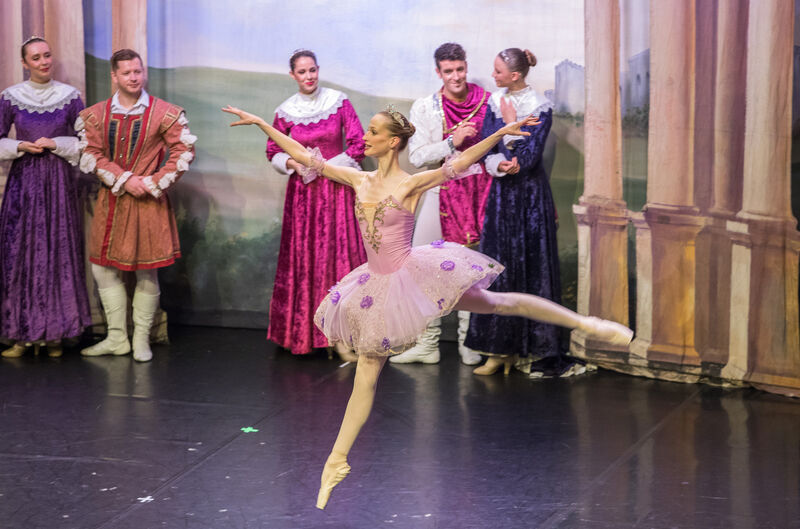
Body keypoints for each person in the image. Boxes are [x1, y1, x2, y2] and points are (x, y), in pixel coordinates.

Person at [221, 104, 633, 510]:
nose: (365, 136)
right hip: (376, 284)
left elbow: (460, 162)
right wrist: (261, 124)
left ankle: (588, 323)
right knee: (367, 371)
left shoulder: (410, 184)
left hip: (413, 275)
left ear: (393, 142)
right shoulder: (357, 178)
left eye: (374, 132)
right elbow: (301, 153)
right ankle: (336, 461)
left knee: (499, 302)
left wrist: (497, 134)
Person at [78, 48, 195, 362]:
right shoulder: (96, 114)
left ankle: (141, 337)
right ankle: (117, 337)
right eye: (127, 73)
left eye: (138, 71)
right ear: (114, 76)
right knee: (102, 268)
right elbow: (92, 154)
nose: (134, 77)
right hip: (113, 200)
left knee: (147, 272)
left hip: (148, 202)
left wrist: (153, 181)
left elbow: (183, 152)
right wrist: (123, 178)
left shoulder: (164, 112)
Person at [467, 48, 570, 377]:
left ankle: (532, 349)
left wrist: (513, 143)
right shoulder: (494, 103)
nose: (493, 75)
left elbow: (532, 152)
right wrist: (497, 162)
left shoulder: (540, 106)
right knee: (498, 267)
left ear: (515, 75)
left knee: (530, 265)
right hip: (501, 196)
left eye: (498, 71)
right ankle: (498, 351)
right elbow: (486, 141)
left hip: (529, 199)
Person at [391, 42, 491, 366]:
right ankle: (427, 342)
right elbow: (417, 156)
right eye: (448, 71)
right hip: (439, 191)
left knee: (472, 271)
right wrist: (452, 141)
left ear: (466, 66)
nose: (456, 76)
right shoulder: (425, 107)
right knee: (423, 266)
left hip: (479, 194)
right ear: (438, 72)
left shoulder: (487, 102)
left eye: (460, 69)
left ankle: (468, 341)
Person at [265, 49, 366, 361]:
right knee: (307, 260)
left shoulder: (338, 102)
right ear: (293, 76)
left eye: (312, 70)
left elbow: (359, 143)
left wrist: (327, 165)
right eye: (302, 72)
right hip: (304, 198)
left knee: (339, 258)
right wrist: (294, 165)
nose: (308, 77)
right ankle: (305, 334)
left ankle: (344, 338)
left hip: (336, 191)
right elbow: (272, 149)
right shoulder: (285, 111)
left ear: (318, 70)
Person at [0, 37, 91, 358]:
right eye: (36, 57)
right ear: (25, 63)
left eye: (47, 55)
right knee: (20, 254)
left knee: (57, 251)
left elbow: (87, 143)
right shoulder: (10, 97)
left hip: (58, 184)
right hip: (23, 184)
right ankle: (20, 335)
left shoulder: (70, 97)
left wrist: (55, 144)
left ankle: (56, 333)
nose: (43, 62)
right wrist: (20, 146)